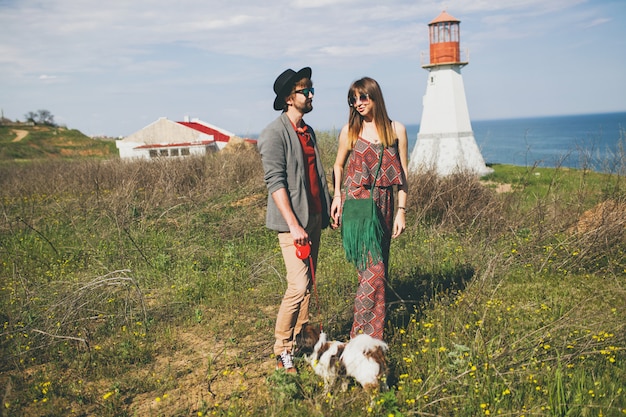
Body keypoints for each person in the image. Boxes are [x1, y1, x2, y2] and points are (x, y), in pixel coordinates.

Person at [257, 67, 332, 373]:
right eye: (305, 91)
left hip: (313, 217)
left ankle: (301, 340)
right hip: (294, 223)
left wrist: (327, 211)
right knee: (298, 285)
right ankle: (282, 349)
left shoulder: (308, 131)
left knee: (309, 284)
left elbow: (317, 176)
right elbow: (275, 182)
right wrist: (293, 224)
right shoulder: (274, 134)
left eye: (311, 89)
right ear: (290, 98)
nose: (310, 95)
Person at [331, 77, 408, 341]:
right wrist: (337, 197)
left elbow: (404, 174)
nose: (358, 103)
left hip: (385, 206)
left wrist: (401, 210)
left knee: (378, 272)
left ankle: (371, 341)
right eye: (353, 99)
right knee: (373, 272)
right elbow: (338, 165)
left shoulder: (396, 130)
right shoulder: (349, 131)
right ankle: (360, 339)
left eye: (363, 97)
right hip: (358, 206)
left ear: (375, 97)